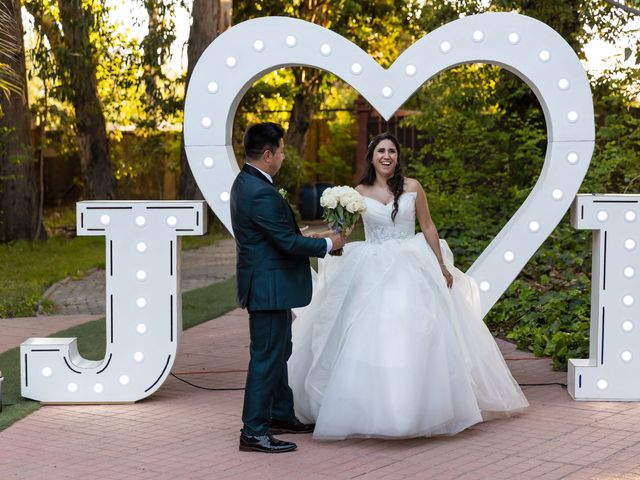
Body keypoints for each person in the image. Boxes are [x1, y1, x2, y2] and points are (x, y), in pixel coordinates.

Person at [288, 132, 529, 440]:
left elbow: (427, 224)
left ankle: (419, 408)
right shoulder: (357, 192)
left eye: (392, 151)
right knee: (368, 331)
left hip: (411, 263)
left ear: (398, 157)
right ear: (372, 157)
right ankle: (372, 407)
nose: (386, 156)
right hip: (370, 266)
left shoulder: (413, 187)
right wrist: (316, 241)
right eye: (380, 151)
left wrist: (441, 264)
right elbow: (343, 232)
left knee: (414, 329)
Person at [230, 122, 347, 453]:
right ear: (268, 155)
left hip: (270, 286)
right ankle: (253, 431)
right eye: (280, 151)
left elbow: (276, 236)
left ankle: (280, 414)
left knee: (279, 353)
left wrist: (301, 237)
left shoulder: (248, 183)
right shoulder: (258, 192)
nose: (282, 156)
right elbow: (283, 241)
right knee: (266, 358)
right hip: (267, 289)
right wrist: (328, 243)